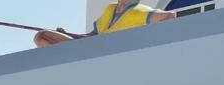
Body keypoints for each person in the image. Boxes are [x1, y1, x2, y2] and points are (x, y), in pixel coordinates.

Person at [34, 0, 175, 47]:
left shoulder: (140, 12)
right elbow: (91, 35)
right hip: (90, 49)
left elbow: (170, 16)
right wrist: (67, 34)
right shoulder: (110, 8)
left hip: (115, 55)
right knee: (42, 36)